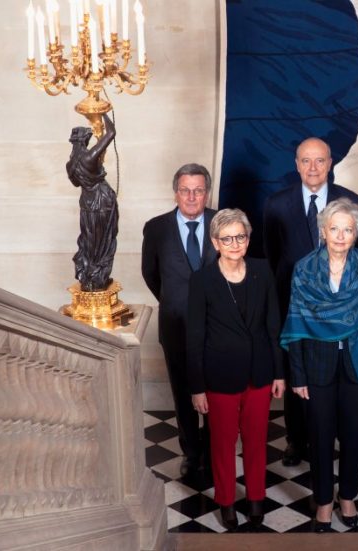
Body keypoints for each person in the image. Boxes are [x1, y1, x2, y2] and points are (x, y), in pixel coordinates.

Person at [263, 137, 358, 467]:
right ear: (296, 164)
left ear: (330, 162)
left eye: (319, 160)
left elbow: (356, 256)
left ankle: (330, 435)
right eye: (305, 161)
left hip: (336, 308)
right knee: (297, 369)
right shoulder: (276, 204)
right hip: (292, 304)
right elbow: (272, 255)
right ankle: (296, 439)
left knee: (333, 372)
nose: (312, 167)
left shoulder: (351, 201)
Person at [280, 199, 358, 533]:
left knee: (353, 435)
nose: (340, 235)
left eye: (347, 229)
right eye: (334, 228)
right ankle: (324, 501)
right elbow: (295, 324)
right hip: (316, 367)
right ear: (322, 231)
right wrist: (298, 374)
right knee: (320, 437)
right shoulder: (305, 269)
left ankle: (348, 496)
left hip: (357, 365)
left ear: (356, 234)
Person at [187, 209, 286, 531]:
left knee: (257, 441)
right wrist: (197, 387)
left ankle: (256, 497)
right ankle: (226, 501)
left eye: (240, 236)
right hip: (219, 376)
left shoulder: (262, 270)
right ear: (216, 241)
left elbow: (274, 325)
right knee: (223, 444)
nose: (234, 243)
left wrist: (279, 372)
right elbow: (195, 336)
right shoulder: (202, 280)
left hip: (259, 373)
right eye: (227, 238)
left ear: (248, 238)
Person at [141, 163, 218, 479]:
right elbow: (150, 274)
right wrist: (174, 302)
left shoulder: (221, 223)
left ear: (206, 193)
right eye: (185, 190)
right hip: (176, 325)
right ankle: (191, 454)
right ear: (176, 192)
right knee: (184, 394)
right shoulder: (156, 228)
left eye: (198, 190)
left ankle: (214, 454)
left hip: (217, 328)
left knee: (214, 393)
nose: (191, 196)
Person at [68, 113, 118, 291]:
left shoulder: (71, 164)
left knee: (89, 240)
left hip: (86, 204)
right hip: (102, 201)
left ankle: (90, 275)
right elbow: (111, 133)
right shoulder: (89, 157)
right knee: (103, 241)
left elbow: (76, 183)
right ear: (85, 141)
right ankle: (97, 276)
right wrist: (104, 112)